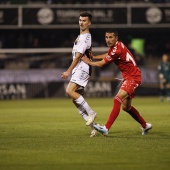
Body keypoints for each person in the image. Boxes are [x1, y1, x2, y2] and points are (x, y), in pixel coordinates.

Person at [82, 28, 152, 136]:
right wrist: (94, 57)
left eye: (111, 37)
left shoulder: (117, 50)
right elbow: (108, 54)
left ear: (116, 38)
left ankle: (106, 128)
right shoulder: (117, 46)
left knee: (117, 99)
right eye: (106, 37)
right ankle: (145, 125)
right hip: (129, 77)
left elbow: (101, 64)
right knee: (126, 107)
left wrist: (88, 61)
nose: (108, 40)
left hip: (133, 77)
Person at [61, 11, 97, 137]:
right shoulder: (81, 36)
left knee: (69, 91)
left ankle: (91, 113)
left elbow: (77, 57)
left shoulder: (85, 37)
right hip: (79, 69)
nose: (81, 22)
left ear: (89, 23)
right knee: (75, 99)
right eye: (80, 20)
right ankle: (94, 128)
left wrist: (68, 71)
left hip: (82, 68)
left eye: (84, 20)